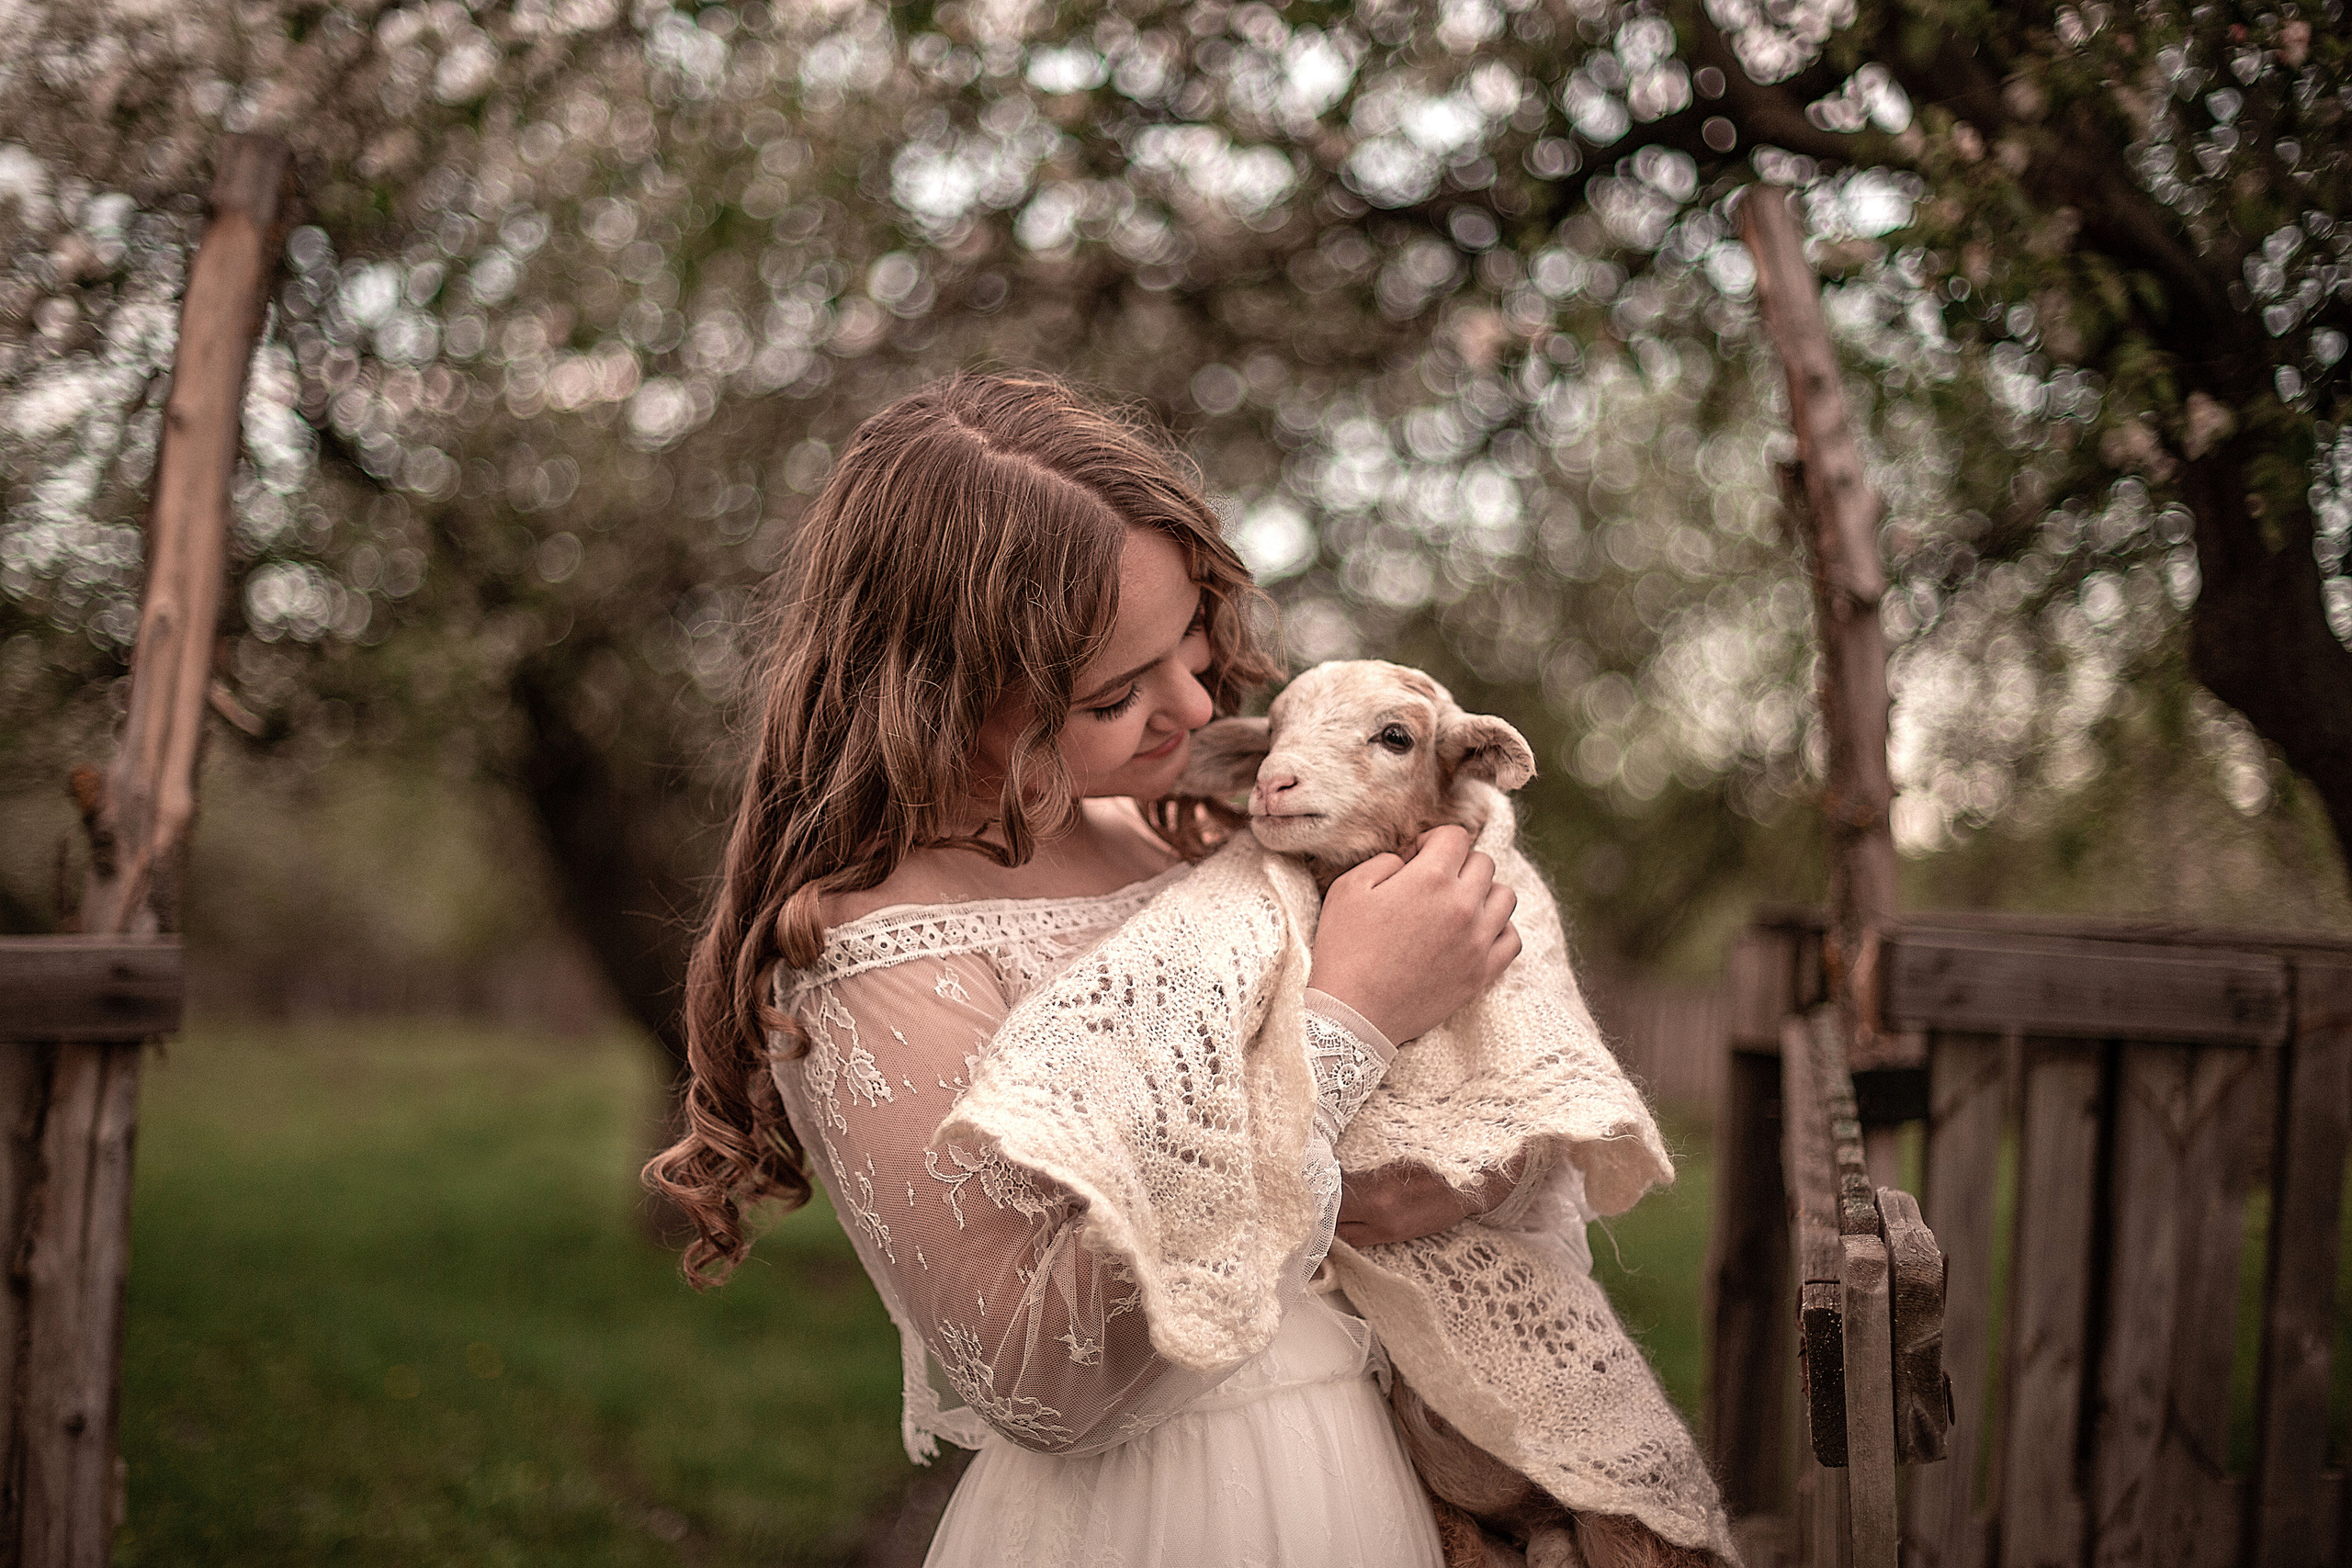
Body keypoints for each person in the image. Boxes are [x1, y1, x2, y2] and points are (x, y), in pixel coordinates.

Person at [647, 372, 1527, 1567]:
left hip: (1353, 1471)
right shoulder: (872, 956)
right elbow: (1043, 1382)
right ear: (945, 705)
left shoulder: (1176, 837)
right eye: (1115, 693)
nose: (1195, 704)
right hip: (1157, 1516)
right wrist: (1351, 1019)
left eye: (1191, 639)